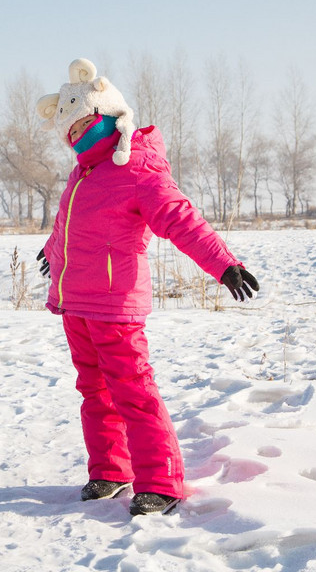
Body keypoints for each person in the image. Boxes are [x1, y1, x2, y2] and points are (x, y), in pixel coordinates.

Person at [35, 58, 259, 516]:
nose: (78, 136)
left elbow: (180, 220)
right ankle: (110, 471)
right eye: (71, 131)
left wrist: (224, 264)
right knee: (93, 391)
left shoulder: (138, 169)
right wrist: (51, 250)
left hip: (115, 306)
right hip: (76, 304)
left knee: (133, 392)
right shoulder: (82, 175)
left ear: (111, 116)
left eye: (85, 124)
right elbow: (68, 228)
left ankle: (161, 481)